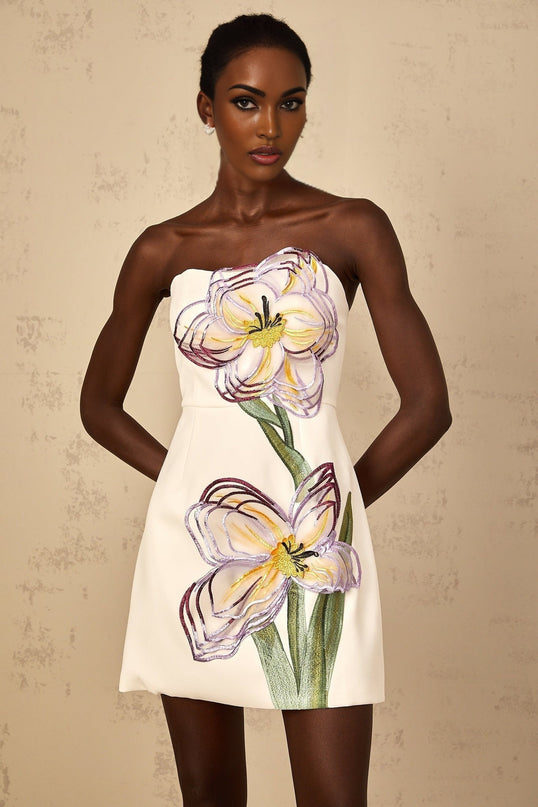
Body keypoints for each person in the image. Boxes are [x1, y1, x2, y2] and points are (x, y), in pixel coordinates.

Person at [80, 13, 451, 807]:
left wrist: (332, 504)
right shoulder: (163, 248)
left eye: (292, 102)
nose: (271, 125)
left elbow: (428, 406)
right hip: (198, 547)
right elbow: (96, 405)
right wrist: (183, 480)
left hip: (312, 550)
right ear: (207, 107)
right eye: (247, 102)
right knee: (211, 798)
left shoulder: (352, 227)